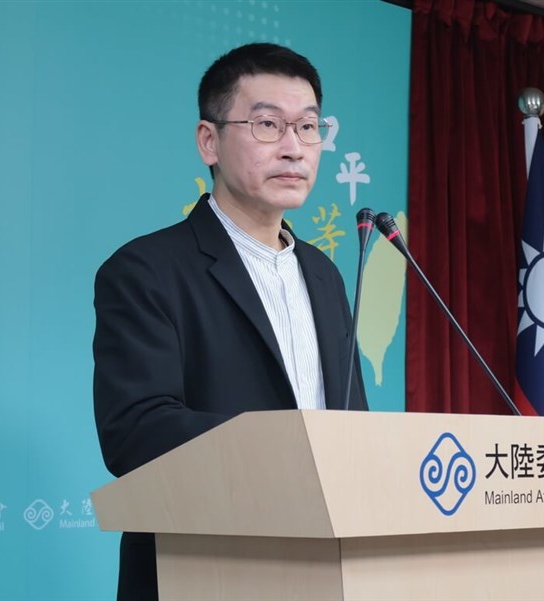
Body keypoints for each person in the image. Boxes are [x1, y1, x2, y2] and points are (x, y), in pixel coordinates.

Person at [93, 43, 368, 601]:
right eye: (268, 124)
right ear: (208, 141)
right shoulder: (145, 270)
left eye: (310, 127)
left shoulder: (325, 276)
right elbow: (136, 432)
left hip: (326, 569)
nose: (294, 148)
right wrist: (293, 452)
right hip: (203, 567)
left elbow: (351, 425)